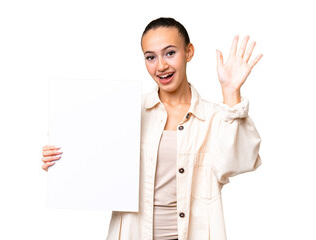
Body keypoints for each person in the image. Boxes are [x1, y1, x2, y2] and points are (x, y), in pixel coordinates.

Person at [42, 17, 262, 240]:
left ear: (189, 52)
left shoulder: (216, 117)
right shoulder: (126, 111)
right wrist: (60, 160)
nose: (161, 66)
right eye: (150, 57)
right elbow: (96, 163)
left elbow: (241, 161)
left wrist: (231, 93)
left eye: (170, 53)